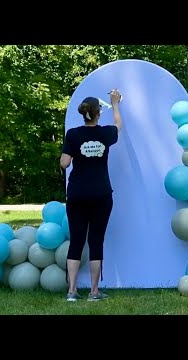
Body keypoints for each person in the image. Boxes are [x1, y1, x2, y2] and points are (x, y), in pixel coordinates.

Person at [60, 89, 122, 302]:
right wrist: (115, 104)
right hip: (101, 194)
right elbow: (118, 126)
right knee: (96, 241)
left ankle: (72, 291)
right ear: (98, 114)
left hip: (76, 194)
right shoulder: (105, 133)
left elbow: (64, 163)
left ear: (83, 114)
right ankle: (94, 292)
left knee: (76, 241)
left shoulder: (73, 134)